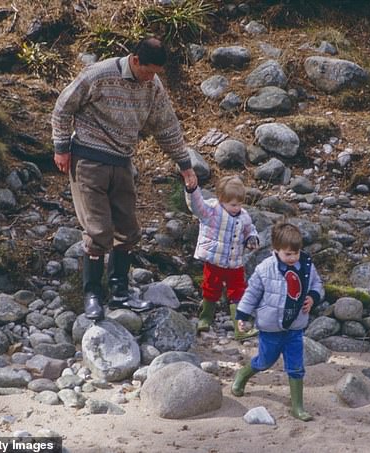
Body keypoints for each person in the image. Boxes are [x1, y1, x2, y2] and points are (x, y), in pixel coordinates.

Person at [51, 37, 198, 320]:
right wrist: (61, 148)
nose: (151, 77)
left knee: (128, 230)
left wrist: (185, 165)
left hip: (122, 161)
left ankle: (120, 292)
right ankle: (92, 294)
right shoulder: (99, 75)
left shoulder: (152, 85)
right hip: (88, 158)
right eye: (148, 71)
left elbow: (166, 125)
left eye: (156, 73)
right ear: (134, 60)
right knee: (97, 231)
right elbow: (63, 107)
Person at [231, 221, 324, 422]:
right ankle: (243, 375)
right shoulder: (265, 269)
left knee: (296, 366)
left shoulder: (306, 266)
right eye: (288, 254)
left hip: (295, 327)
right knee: (265, 361)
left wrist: (313, 297)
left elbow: (317, 283)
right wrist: (242, 315)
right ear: (276, 250)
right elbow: (252, 293)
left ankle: (297, 406)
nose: (293, 258)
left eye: (296, 253)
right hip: (271, 327)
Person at [185, 175, 259, 339]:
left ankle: (240, 328)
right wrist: (192, 190)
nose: (237, 207)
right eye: (233, 204)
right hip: (214, 260)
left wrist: (251, 239)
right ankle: (205, 319)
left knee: (238, 293)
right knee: (211, 288)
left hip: (235, 263)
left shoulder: (244, 216)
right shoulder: (211, 211)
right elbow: (196, 206)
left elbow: (250, 229)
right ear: (221, 199)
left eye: (240, 204)